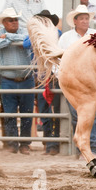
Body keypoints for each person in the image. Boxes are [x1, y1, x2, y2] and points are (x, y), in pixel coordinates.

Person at [59, 5, 96, 157]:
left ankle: (92, 148)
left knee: (89, 116)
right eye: (82, 19)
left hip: (93, 82)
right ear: (75, 21)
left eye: (87, 18)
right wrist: (62, 77)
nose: (85, 21)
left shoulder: (95, 35)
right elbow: (60, 61)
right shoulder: (66, 38)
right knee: (77, 116)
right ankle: (84, 148)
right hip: (73, 81)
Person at [0, 8, 35, 154]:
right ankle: (12, 143)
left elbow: (28, 40)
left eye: (16, 19)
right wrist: (13, 38)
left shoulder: (22, 31)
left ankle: (24, 144)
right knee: (9, 113)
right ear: (4, 22)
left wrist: (7, 37)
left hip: (26, 79)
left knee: (27, 113)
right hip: (8, 79)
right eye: (11, 20)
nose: (15, 22)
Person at [23, 10, 62, 155]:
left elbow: (27, 43)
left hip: (53, 75)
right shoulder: (35, 35)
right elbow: (25, 43)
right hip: (42, 76)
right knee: (45, 111)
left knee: (56, 110)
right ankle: (49, 143)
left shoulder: (57, 33)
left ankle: (54, 143)